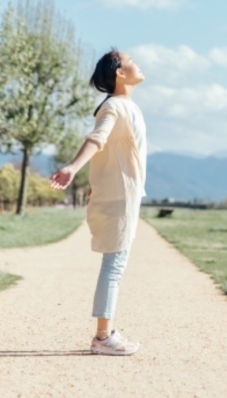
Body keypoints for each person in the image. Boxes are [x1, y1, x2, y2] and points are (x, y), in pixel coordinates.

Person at [49, 49, 147, 356]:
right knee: (114, 265)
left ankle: (105, 334)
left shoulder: (125, 106)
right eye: (131, 60)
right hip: (119, 197)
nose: (137, 63)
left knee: (115, 264)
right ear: (119, 72)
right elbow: (97, 138)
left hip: (123, 194)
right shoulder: (115, 108)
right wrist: (72, 168)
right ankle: (103, 337)